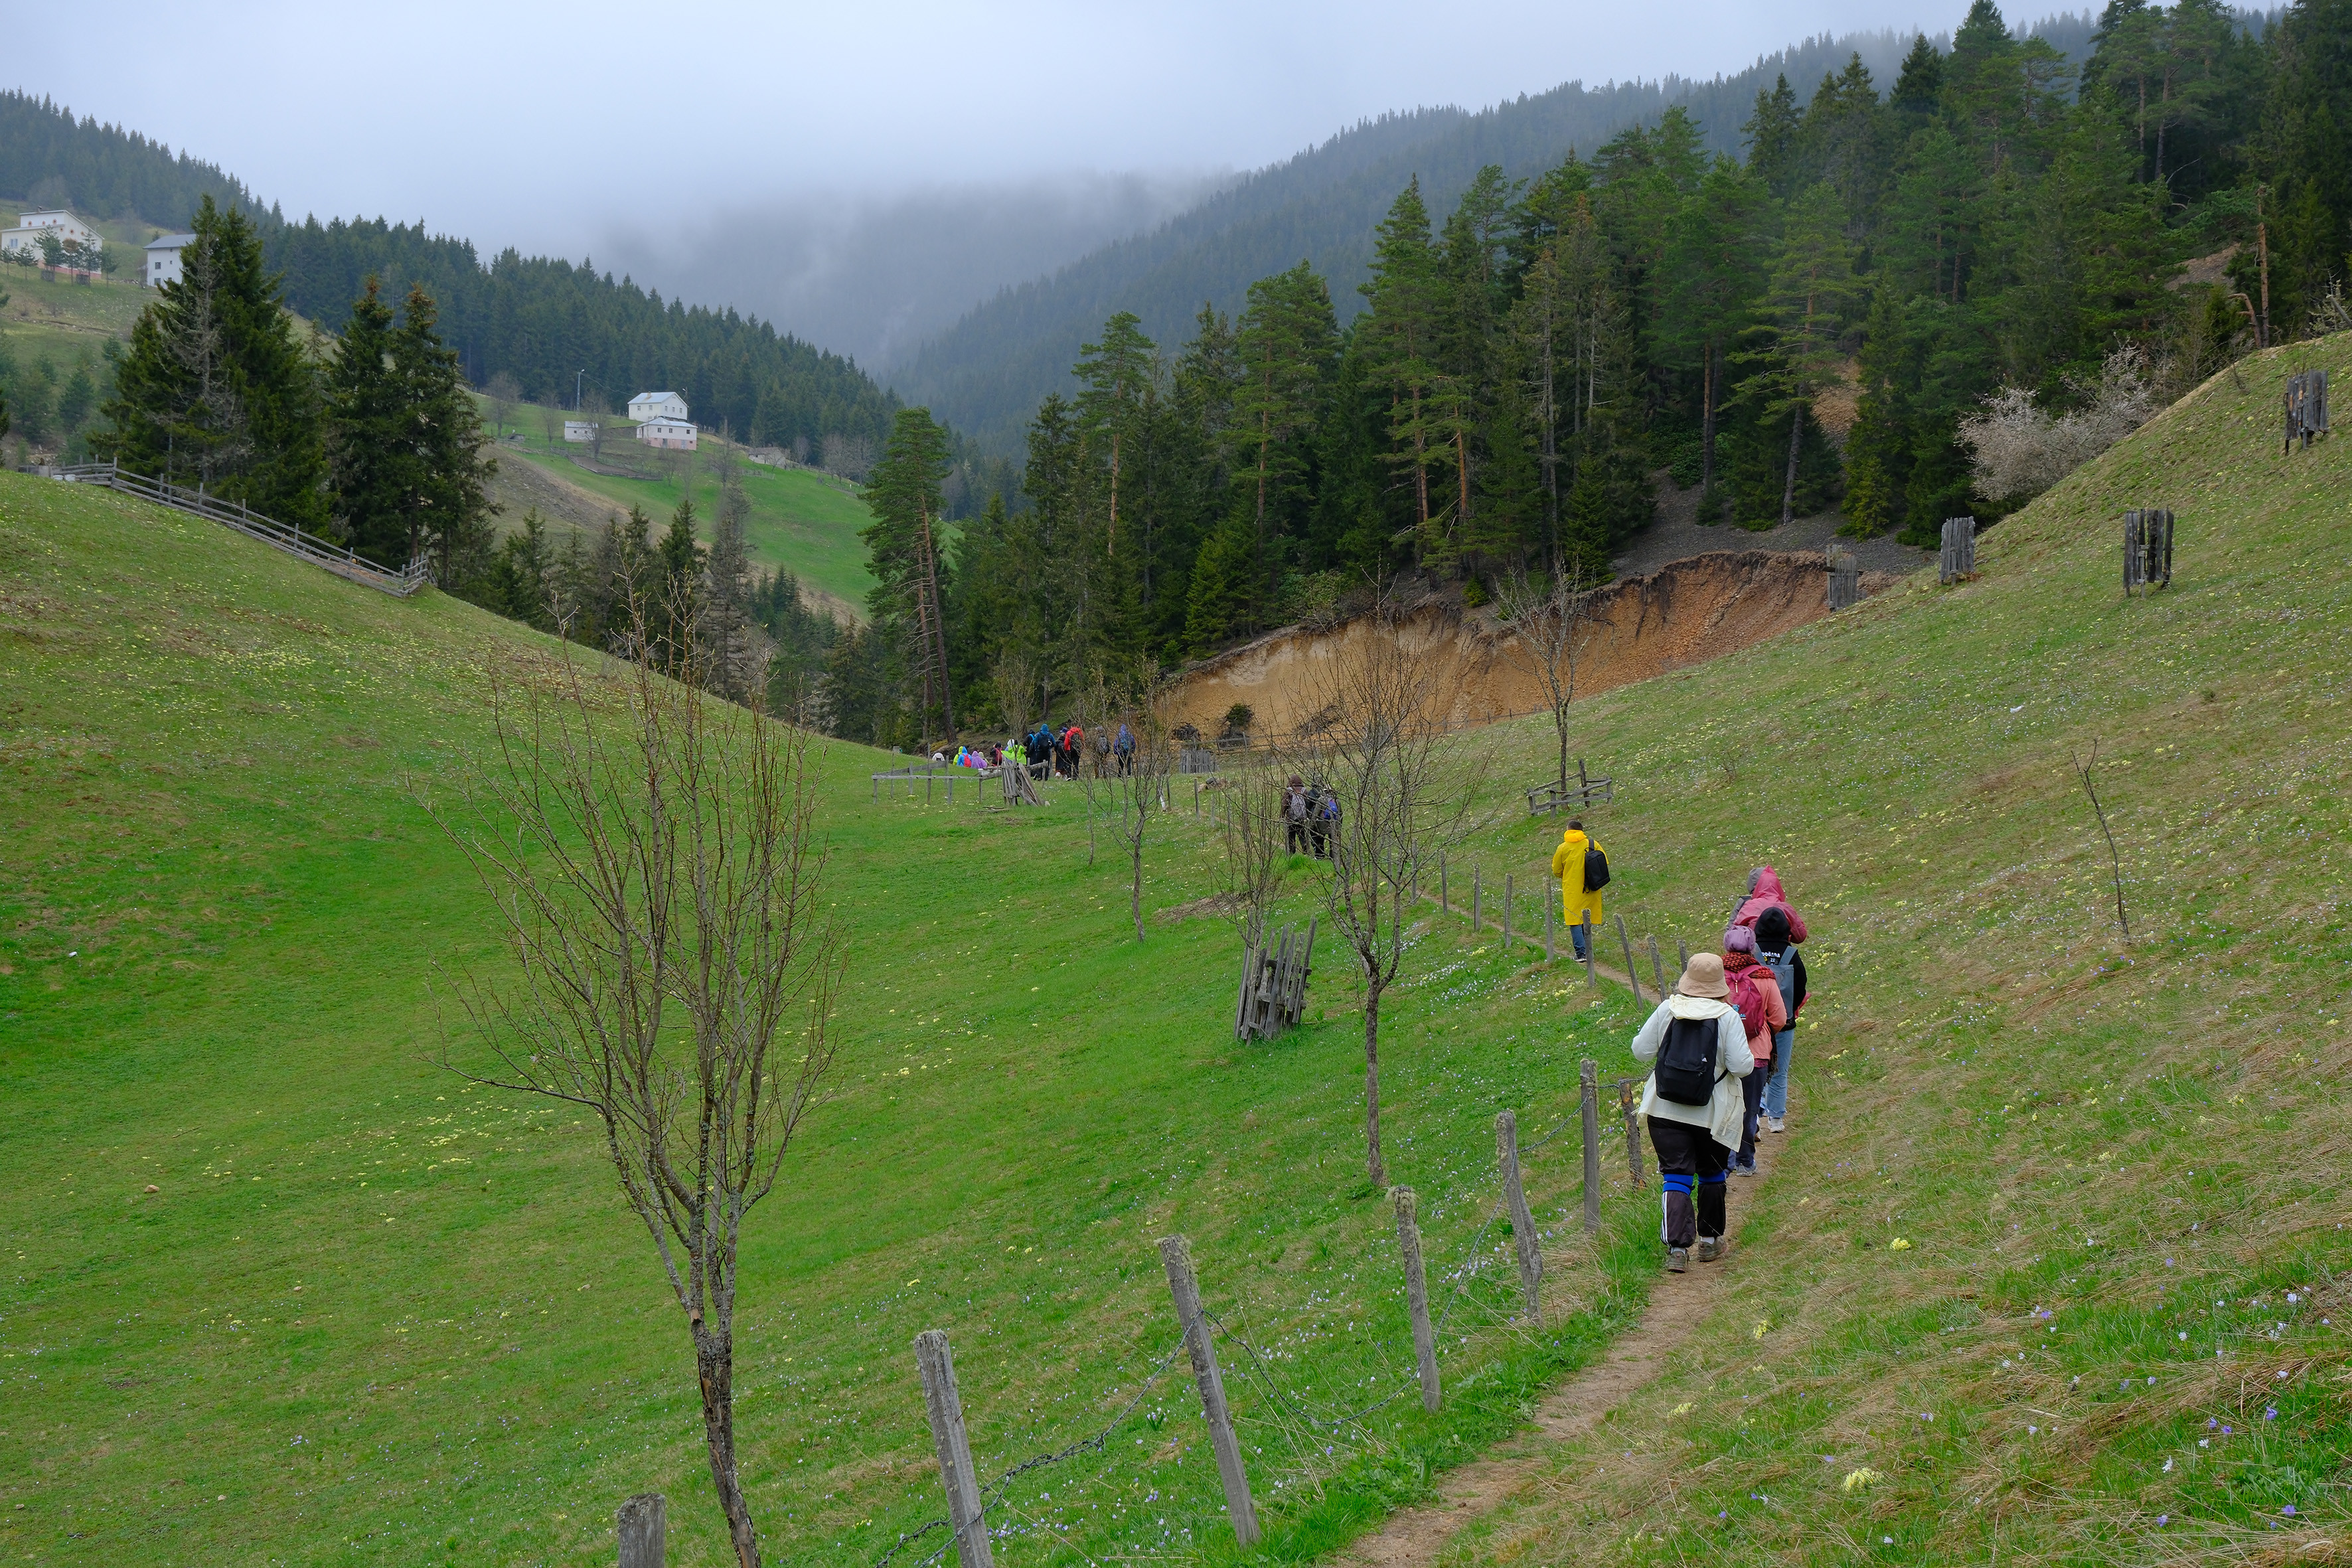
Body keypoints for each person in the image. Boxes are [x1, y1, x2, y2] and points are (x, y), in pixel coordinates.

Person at [1630, 953, 1753, 1271]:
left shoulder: (1667, 1009)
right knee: (1712, 1173)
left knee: (1675, 1175)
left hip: (1665, 1107)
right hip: (1713, 1113)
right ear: (1719, 985)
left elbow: (1641, 1051)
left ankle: (1677, 1250)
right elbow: (1742, 1066)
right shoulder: (1727, 1017)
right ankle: (1710, 1243)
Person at [1719, 925, 1786, 1176]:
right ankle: (1745, 1160)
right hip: (1756, 1054)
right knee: (1749, 1108)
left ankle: (1724, 1161)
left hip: (1722, 1054)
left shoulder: (1716, 974)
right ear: (1752, 947)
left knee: (1725, 1109)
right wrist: (1765, 1035)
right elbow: (1779, 1017)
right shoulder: (1764, 976)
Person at [1755, 905, 1806, 1133]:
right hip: (1784, 1023)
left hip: (1755, 1024)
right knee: (1780, 1071)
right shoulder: (1791, 954)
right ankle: (1776, 1119)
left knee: (1753, 1068)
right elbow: (1801, 986)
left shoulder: (1753, 951)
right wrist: (1791, 1011)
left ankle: (1754, 1114)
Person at [1549, 819, 1605, 961]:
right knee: (1588, 918)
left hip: (1572, 889)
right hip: (1592, 887)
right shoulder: (1593, 844)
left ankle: (1581, 953)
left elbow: (1556, 871)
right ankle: (1589, 950)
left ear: (1568, 830)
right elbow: (1604, 864)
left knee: (1574, 919)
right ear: (1582, 830)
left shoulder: (1563, 848)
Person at [1731, 866, 1808, 943]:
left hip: (1755, 951)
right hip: (1783, 952)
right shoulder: (1786, 907)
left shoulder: (1749, 905)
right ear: (1776, 884)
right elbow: (1800, 937)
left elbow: (1734, 935)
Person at [1283, 775, 1310, 854]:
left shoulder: (1289, 791)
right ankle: (1304, 845)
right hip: (1301, 817)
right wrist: (1308, 815)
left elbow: (1285, 804)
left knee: (1291, 835)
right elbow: (1308, 803)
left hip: (1290, 817)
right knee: (1301, 834)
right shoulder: (1304, 791)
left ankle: (1292, 851)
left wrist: (1282, 815)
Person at [1313, 785, 1340, 858]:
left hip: (1322, 824)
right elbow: (1340, 813)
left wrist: (1312, 824)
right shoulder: (1337, 800)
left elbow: (1316, 813)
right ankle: (1334, 856)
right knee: (1333, 841)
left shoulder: (1321, 799)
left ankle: (1319, 856)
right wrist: (1339, 825)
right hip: (1334, 824)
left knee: (1320, 840)